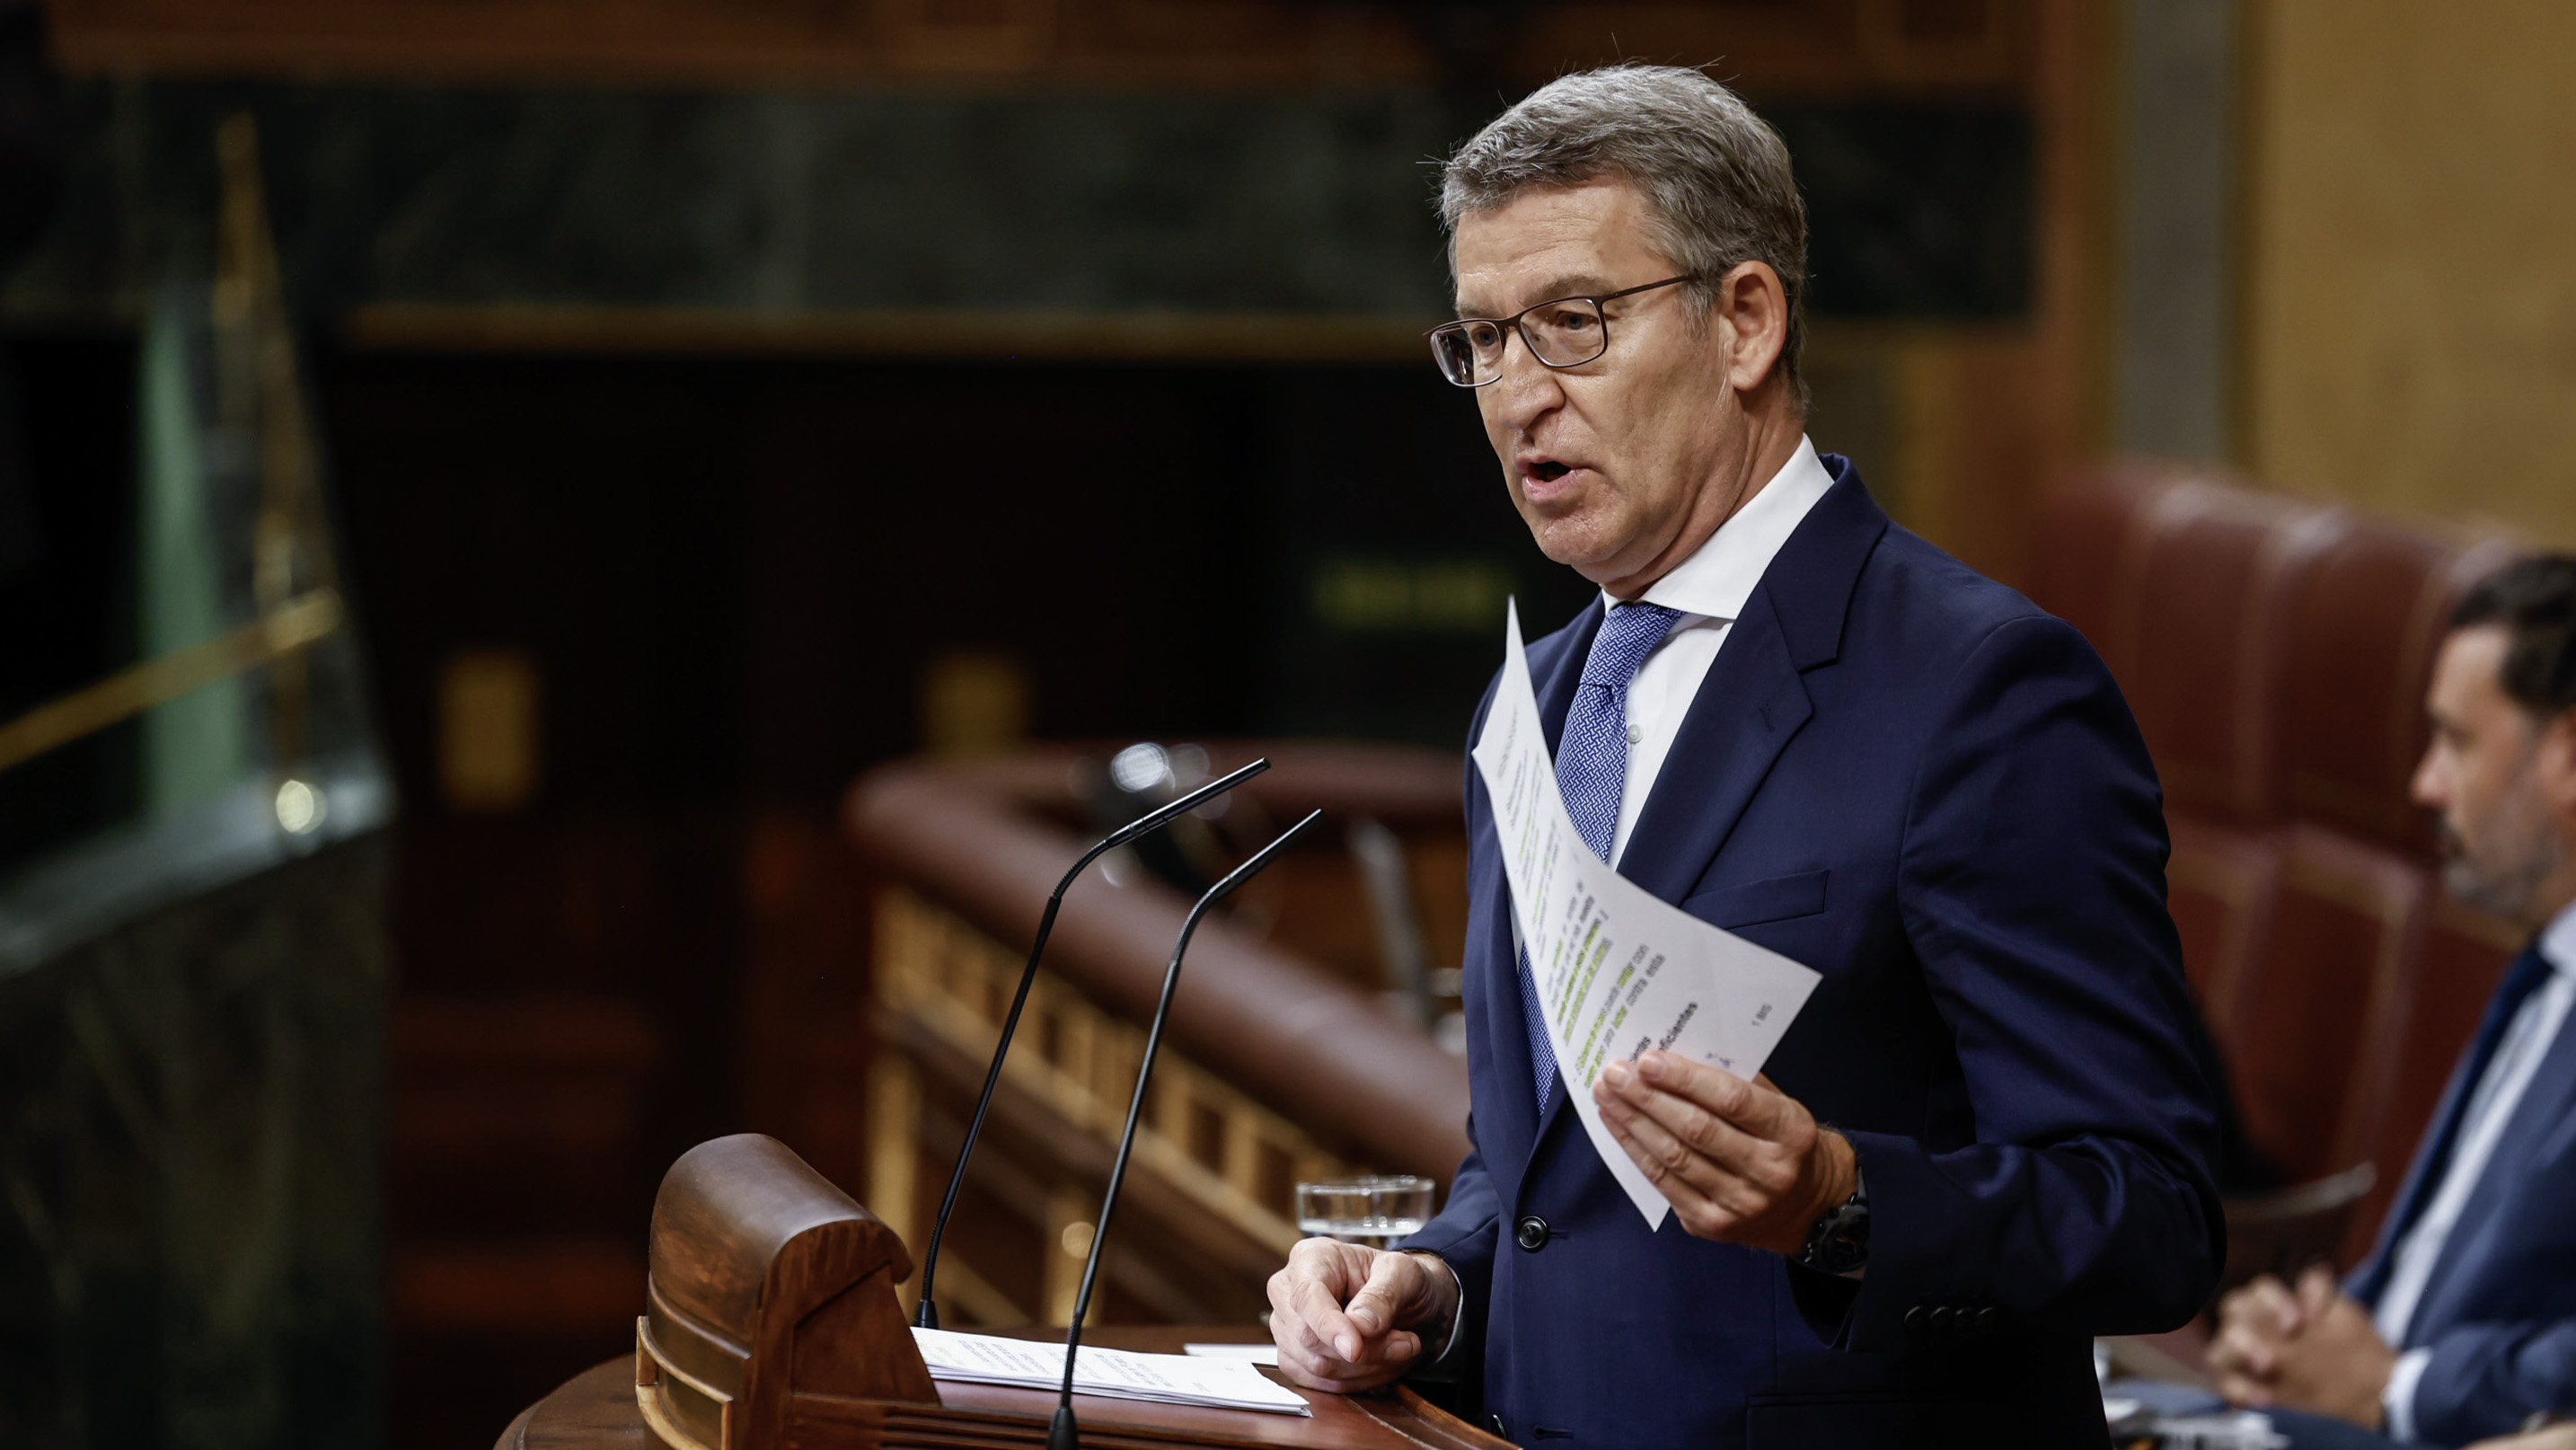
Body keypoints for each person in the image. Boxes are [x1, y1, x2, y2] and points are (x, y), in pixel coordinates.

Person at [1263, 64, 2223, 1447]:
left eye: (1573, 323)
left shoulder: (1981, 690)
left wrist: (1841, 1200)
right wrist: (1437, 1285)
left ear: (1746, 322)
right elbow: (1535, 1178)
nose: (1519, 393)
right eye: (1484, 337)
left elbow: (2151, 1214)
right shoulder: (1527, 704)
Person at [2209, 556, 2576, 1448]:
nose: (2425, 786)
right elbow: (2425, 1273)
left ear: (2567, 757)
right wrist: (2294, 1335)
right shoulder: (2542, 972)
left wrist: (2397, 1388)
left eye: (2455, 742)